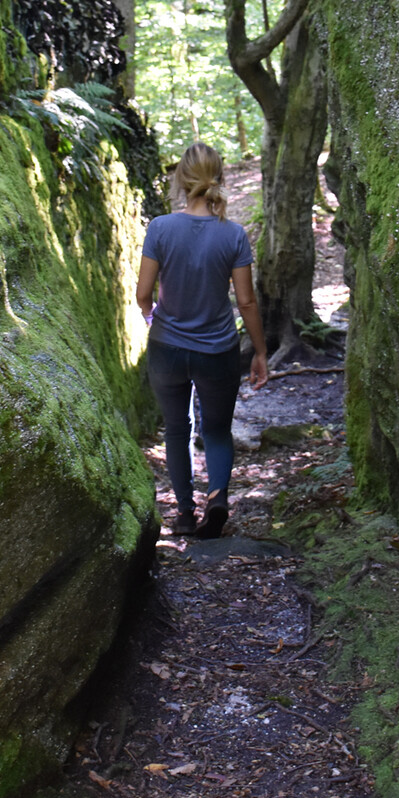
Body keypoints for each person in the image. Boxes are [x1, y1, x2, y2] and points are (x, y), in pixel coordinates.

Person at [136, 142, 268, 539]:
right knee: (216, 429)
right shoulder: (233, 235)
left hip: (167, 348)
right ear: (220, 177)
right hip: (218, 350)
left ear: (180, 179)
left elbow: (143, 294)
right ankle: (217, 498)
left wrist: (152, 318)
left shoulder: (160, 228)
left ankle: (183, 514)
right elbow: (245, 300)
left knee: (176, 429)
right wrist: (260, 351)